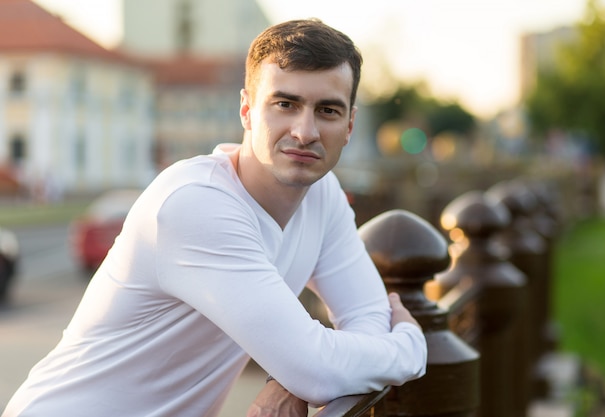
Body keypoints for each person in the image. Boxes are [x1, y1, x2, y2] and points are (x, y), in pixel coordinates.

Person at [2, 18, 426, 417]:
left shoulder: (323, 196)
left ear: (350, 125)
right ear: (246, 109)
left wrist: (293, 377)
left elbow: (365, 321)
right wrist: (409, 347)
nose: (305, 131)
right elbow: (322, 365)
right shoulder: (196, 205)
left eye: (328, 111)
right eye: (285, 103)